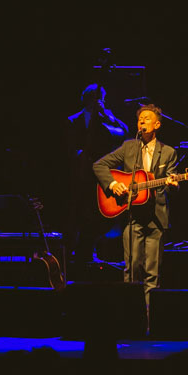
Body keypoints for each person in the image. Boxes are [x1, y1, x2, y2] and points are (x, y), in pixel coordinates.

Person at [92, 104, 178, 310]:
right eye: (140, 119)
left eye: (147, 118)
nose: (142, 121)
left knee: (152, 273)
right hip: (132, 217)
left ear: (157, 125)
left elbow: (171, 185)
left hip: (156, 218)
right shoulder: (129, 147)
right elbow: (99, 165)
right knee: (131, 270)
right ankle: (130, 315)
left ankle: (149, 318)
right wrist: (113, 185)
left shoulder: (168, 152)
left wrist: (172, 184)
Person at [66, 84, 128, 265]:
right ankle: (81, 252)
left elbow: (124, 132)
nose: (100, 102)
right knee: (83, 213)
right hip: (83, 172)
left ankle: (98, 251)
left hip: (104, 173)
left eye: (102, 99)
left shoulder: (106, 119)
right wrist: (80, 156)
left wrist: (109, 116)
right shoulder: (73, 120)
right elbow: (70, 147)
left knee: (102, 214)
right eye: (96, 98)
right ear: (87, 99)